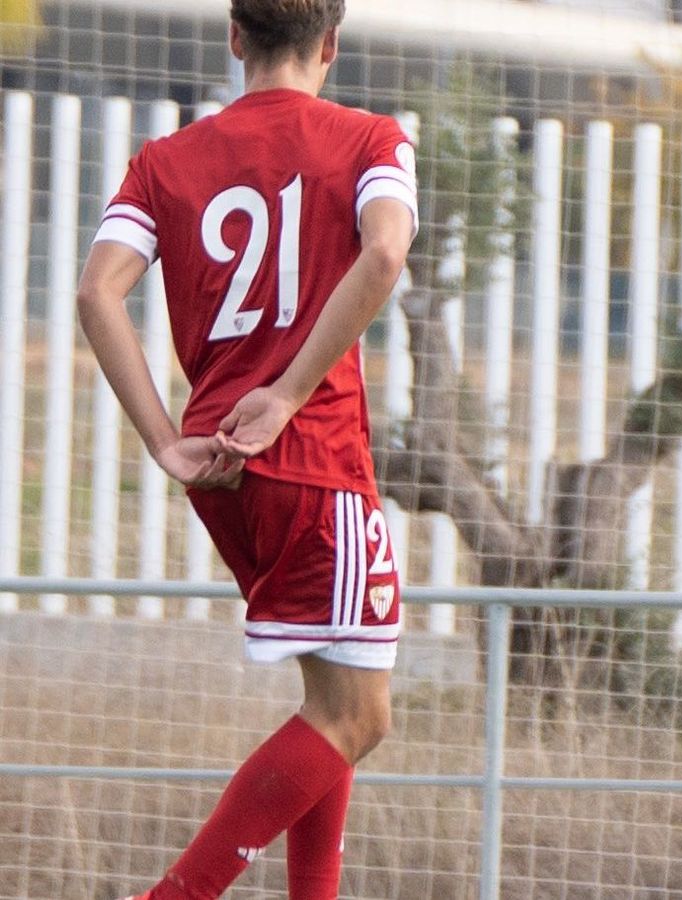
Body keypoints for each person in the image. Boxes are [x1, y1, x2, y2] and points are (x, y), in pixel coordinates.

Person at [76, 1, 417, 896]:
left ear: (236, 38)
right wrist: (290, 394)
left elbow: (95, 295)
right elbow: (385, 253)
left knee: (329, 702)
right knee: (357, 716)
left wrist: (164, 438)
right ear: (332, 45)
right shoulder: (372, 138)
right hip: (310, 458)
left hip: (220, 467)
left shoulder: (163, 162)